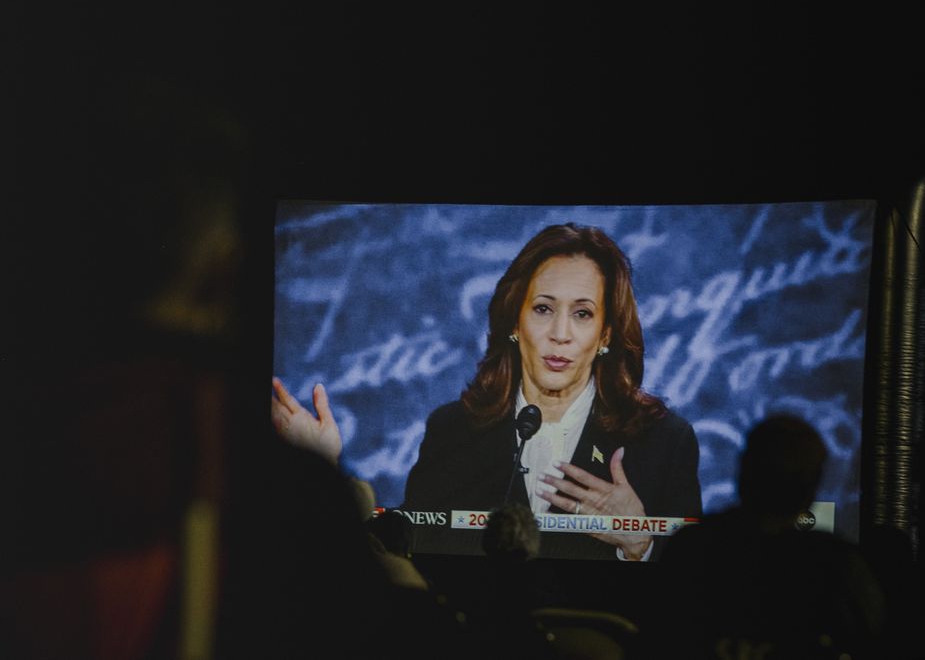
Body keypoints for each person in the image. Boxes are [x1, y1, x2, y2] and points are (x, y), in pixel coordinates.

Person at [271, 223, 702, 561]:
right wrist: (325, 469)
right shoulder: (453, 430)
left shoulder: (663, 442)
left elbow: (697, 587)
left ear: (605, 334)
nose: (560, 334)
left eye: (583, 314)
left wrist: (639, 543)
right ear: (515, 322)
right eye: (544, 309)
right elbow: (402, 549)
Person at [652, 414, 887, 659]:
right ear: (812, 487)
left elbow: (656, 638)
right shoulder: (839, 568)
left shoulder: (690, 550)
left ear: (743, 472)